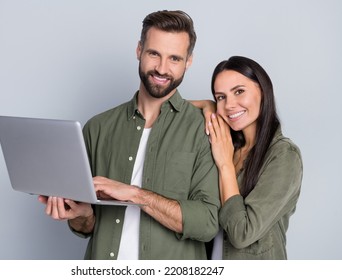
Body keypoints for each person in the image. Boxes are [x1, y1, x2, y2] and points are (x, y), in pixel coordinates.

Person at [38, 10, 220, 260]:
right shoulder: (98, 127)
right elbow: (87, 226)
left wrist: (135, 194)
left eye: (174, 59)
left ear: (188, 61)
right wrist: (81, 215)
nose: (162, 68)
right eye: (154, 53)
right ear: (139, 50)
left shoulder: (205, 130)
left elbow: (207, 224)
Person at [192, 56, 303, 259]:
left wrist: (225, 165)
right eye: (221, 97)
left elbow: (242, 233)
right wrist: (208, 106)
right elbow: (166, 108)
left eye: (239, 92)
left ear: (262, 90)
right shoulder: (225, 144)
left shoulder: (284, 156)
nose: (229, 105)